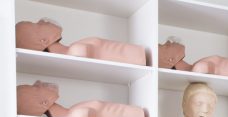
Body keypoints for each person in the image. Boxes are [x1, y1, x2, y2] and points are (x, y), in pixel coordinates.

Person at [15, 18, 146, 66]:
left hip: (142, 56)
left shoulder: (75, 48)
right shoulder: (76, 50)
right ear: (43, 41)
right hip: (141, 57)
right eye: (37, 24)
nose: (43, 21)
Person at [17, 81, 146, 117]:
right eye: (35, 89)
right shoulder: (77, 114)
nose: (39, 84)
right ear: (43, 103)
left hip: (138, 116)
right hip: (137, 116)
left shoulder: (74, 111)